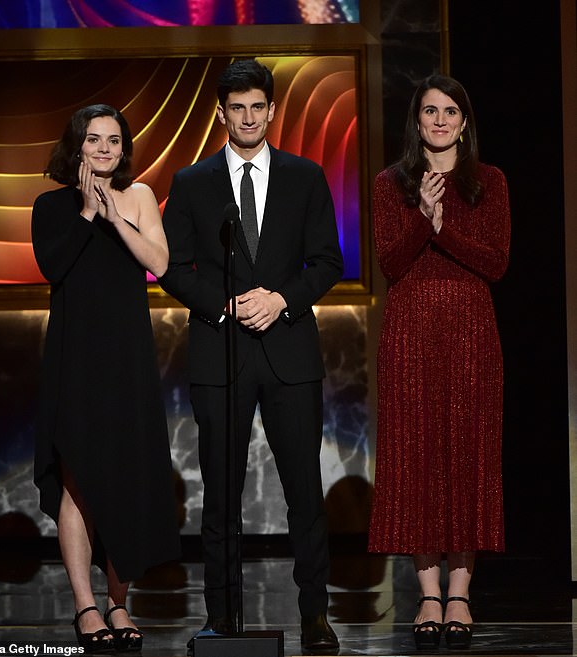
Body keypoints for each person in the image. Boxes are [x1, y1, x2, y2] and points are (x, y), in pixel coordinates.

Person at [158, 59, 344, 655]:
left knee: (304, 493)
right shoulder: (191, 183)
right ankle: (222, 618)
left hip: (290, 352)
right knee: (221, 495)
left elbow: (327, 262)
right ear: (222, 113)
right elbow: (172, 269)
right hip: (222, 352)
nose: (247, 117)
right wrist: (228, 304)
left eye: (256, 107)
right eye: (235, 108)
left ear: (271, 110)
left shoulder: (306, 177)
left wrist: (282, 299)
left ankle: (315, 616)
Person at [367, 74, 511, 650]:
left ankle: (459, 593)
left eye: (451, 111)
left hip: (472, 332)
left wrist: (440, 225)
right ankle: (427, 592)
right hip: (409, 334)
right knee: (418, 455)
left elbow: (496, 262)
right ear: (417, 121)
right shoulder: (389, 184)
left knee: (467, 454)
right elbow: (391, 264)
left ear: (464, 121)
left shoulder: (490, 182)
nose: (441, 120)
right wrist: (418, 216)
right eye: (431, 111)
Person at [32, 104, 181, 653]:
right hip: (75, 357)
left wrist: (117, 216)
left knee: (127, 478)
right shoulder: (51, 206)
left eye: (113, 141)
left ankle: (120, 603)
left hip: (127, 357)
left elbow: (160, 265)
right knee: (78, 480)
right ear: (76, 146)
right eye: (93, 140)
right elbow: (54, 266)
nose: (103, 150)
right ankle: (85, 606)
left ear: (124, 149)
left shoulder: (140, 196)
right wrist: (89, 214)